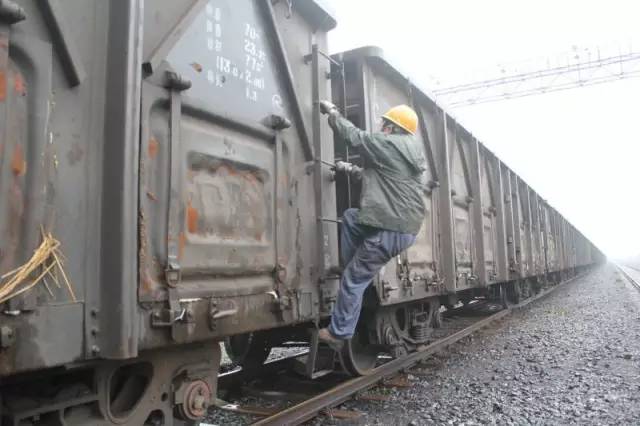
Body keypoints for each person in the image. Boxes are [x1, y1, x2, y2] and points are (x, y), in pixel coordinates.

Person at [317, 101, 427, 351]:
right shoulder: (406, 149)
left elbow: (355, 137)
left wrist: (333, 113)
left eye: (383, 124)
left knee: (353, 280)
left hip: (390, 230)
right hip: (399, 227)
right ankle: (349, 265)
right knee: (352, 217)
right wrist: (350, 169)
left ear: (391, 128)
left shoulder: (389, 143)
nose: (380, 127)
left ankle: (339, 332)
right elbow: (382, 180)